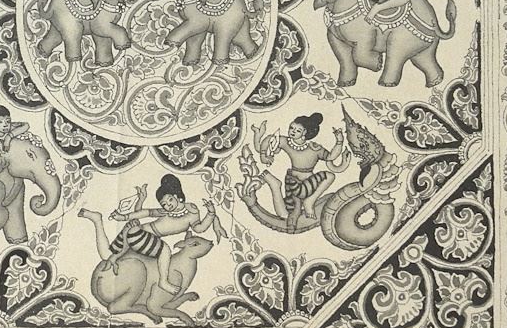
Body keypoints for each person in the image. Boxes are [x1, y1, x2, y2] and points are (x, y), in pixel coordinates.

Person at [80, 175, 225, 295]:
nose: (167, 205)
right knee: (165, 250)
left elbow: (199, 228)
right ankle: (163, 281)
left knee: (107, 255)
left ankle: (96, 219)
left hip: (137, 234)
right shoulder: (165, 211)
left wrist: (211, 213)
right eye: (164, 204)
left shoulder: (191, 212)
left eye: (169, 200)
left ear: (176, 196)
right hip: (138, 233)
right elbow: (145, 213)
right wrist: (124, 217)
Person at [252, 113, 345, 231]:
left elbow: (331, 156)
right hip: (293, 184)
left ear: (305, 132)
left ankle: (309, 201)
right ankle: (276, 186)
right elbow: (269, 140)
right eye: (291, 128)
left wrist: (339, 141)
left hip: (309, 186)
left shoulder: (314, 148)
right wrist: (263, 154)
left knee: (330, 176)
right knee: (285, 214)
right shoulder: (287, 142)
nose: (293, 132)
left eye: (298, 130)